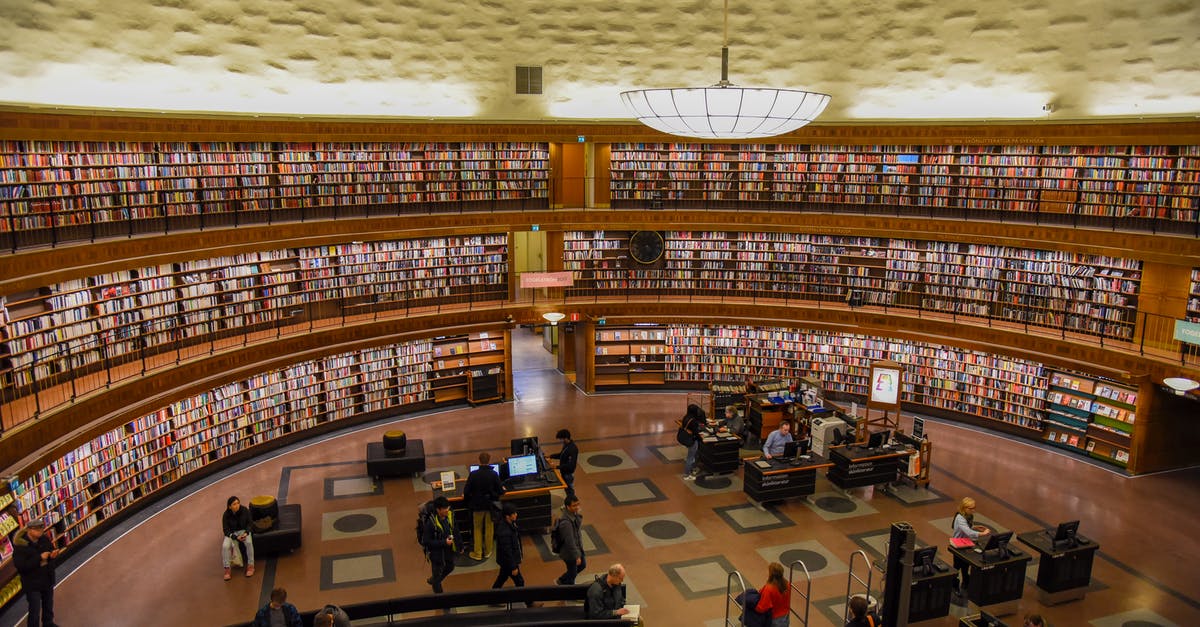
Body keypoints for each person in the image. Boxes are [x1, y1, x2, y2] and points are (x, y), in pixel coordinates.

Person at [12, 519, 58, 627]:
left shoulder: (44, 539)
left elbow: (51, 549)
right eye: (37, 529)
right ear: (29, 530)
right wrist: (39, 558)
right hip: (32, 583)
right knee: (35, 608)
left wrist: (52, 554)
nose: (40, 531)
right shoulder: (20, 547)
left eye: (41, 528)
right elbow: (21, 567)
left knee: (48, 604)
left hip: (47, 578)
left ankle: (48, 623)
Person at [463, 451, 503, 561]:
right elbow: (500, 491)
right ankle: (488, 551)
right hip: (490, 506)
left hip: (477, 506)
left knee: (477, 529)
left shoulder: (474, 474)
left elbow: (466, 491)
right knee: (489, 529)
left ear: (479, 460)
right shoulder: (494, 474)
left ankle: (477, 552)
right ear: (489, 460)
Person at [951, 496, 988, 595]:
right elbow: (968, 532)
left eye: (974, 508)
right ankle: (954, 584)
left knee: (965, 565)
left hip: (966, 543)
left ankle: (965, 582)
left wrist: (975, 527)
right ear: (964, 508)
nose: (973, 510)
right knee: (957, 566)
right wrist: (983, 534)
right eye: (971, 508)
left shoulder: (969, 516)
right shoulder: (959, 518)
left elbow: (968, 526)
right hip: (958, 545)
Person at [421, 495, 458, 593]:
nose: (447, 510)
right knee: (437, 574)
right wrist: (444, 542)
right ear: (438, 510)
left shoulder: (448, 516)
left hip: (447, 551)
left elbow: (454, 529)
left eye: (448, 507)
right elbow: (426, 541)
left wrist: (460, 545)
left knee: (450, 566)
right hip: (436, 554)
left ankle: (435, 581)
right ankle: (440, 597)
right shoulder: (431, 523)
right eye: (445, 508)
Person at [554, 494, 586, 585]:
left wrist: (577, 514)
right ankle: (568, 590)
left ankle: (562, 579)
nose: (577, 507)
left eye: (578, 504)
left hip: (577, 548)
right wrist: (576, 556)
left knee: (582, 565)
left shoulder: (574, 515)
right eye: (574, 505)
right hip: (569, 552)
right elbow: (569, 542)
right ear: (567, 507)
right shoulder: (566, 523)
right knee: (572, 574)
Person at [221, 495, 255, 580]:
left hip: (243, 531)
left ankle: (251, 566)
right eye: (234, 504)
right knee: (225, 546)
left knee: (249, 543)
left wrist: (246, 533)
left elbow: (250, 523)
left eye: (238, 503)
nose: (237, 505)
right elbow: (225, 530)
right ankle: (227, 568)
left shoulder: (245, 510)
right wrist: (234, 537)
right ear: (229, 506)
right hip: (232, 534)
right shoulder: (226, 515)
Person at [754, 562, 790, 627]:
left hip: (774, 620)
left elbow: (762, 607)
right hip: (785, 617)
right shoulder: (787, 584)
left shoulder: (769, 589)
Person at [548, 428, 579, 497]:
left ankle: (572, 504)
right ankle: (568, 504)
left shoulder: (572, 449)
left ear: (565, 438)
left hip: (568, 474)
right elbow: (561, 455)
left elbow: (571, 465)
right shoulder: (566, 445)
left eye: (560, 439)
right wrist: (550, 456)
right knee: (567, 490)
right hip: (564, 472)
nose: (560, 441)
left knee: (570, 491)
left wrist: (557, 467)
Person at [680, 403, 706, 479]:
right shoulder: (693, 421)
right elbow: (695, 432)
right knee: (690, 457)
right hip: (692, 440)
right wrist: (701, 438)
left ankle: (692, 469)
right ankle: (686, 474)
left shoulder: (686, 417)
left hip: (686, 438)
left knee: (692, 456)